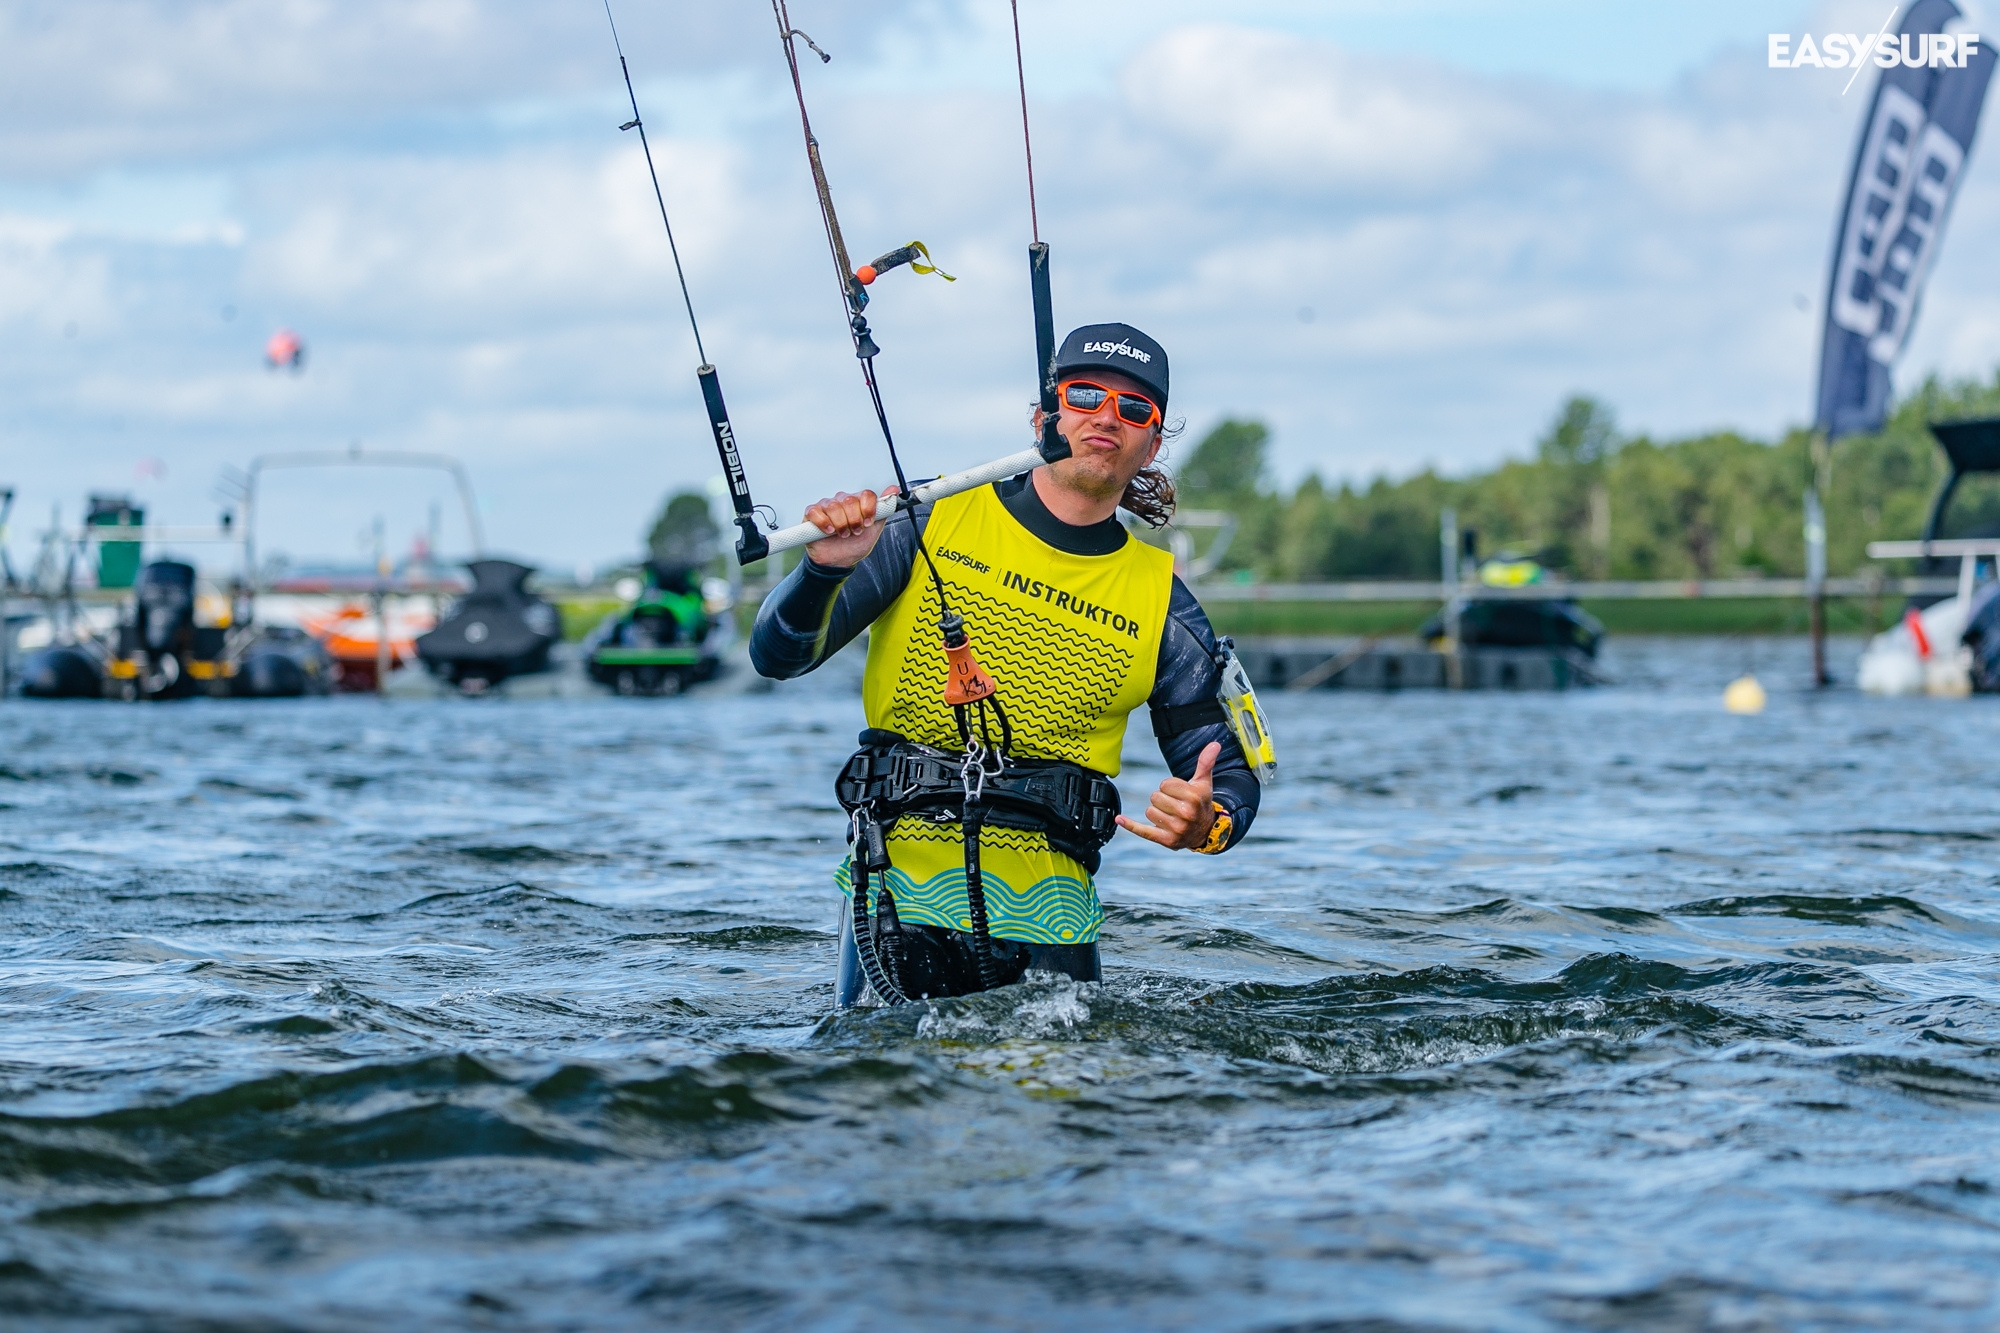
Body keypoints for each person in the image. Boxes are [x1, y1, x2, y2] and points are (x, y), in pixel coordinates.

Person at [750, 323, 1261, 1004]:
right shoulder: (925, 520)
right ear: (1042, 414)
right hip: (900, 897)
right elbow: (777, 657)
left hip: (1053, 918)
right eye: (1085, 394)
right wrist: (821, 574)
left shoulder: (1165, 602)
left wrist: (1209, 822)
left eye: (1135, 409)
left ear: (1153, 443)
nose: (1108, 415)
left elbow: (1228, 769)